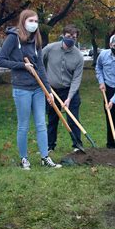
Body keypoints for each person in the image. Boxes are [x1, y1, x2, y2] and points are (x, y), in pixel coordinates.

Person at [0, 9, 61, 169]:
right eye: (30, 20)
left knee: (41, 124)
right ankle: (24, 158)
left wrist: (48, 91)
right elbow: (0, 60)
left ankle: (45, 157)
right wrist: (22, 66)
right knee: (23, 125)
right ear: (23, 21)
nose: (34, 24)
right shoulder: (13, 38)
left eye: (36, 21)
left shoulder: (36, 39)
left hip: (37, 89)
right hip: (21, 89)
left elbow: (40, 67)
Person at [43, 24, 84, 153]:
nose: (70, 39)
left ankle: (77, 145)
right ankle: (50, 146)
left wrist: (69, 98)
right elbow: (39, 62)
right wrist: (45, 83)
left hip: (69, 90)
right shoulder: (50, 48)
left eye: (74, 37)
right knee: (52, 118)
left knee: (73, 119)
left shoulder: (78, 56)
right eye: (68, 36)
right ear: (63, 36)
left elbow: (76, 79)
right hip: (52, 90)